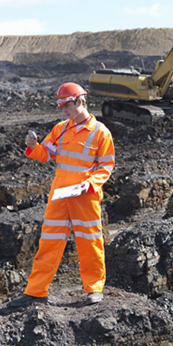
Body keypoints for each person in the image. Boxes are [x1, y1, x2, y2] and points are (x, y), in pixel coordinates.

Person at [13, 82, 115, 307]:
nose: (64, 110)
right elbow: (46, 155)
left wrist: (91, 183)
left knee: (90, 242)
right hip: (59, 195)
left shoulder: (101, 132)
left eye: (66, 105)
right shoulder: (60, 128)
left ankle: (94, 289)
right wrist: (33, 145)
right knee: (48, 243)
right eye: (61, 107)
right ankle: (36, 291)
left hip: (85, 196)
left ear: (80, 101)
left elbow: (107, 166)